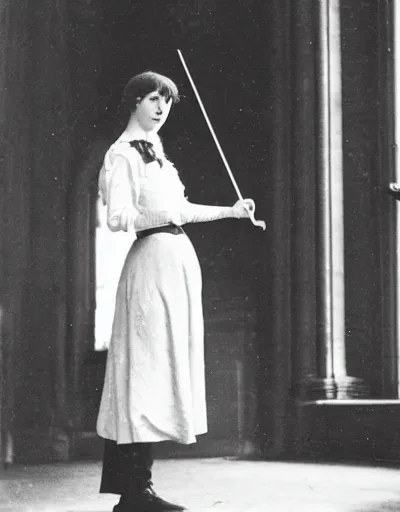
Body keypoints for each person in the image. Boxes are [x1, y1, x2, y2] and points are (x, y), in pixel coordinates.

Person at [96, 70, 254, 512]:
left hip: (176, 265)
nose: (162, 108)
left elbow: (180, 209)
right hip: (149, 266)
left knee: (161, 372)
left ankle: (138, 491)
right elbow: (117, 218)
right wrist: (163, 214)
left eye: (167, 101)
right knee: (142, 374)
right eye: (153, 99)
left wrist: (232, 211)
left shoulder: (160, 156)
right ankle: (135, 493)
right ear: (134, 102)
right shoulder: (122, 155)